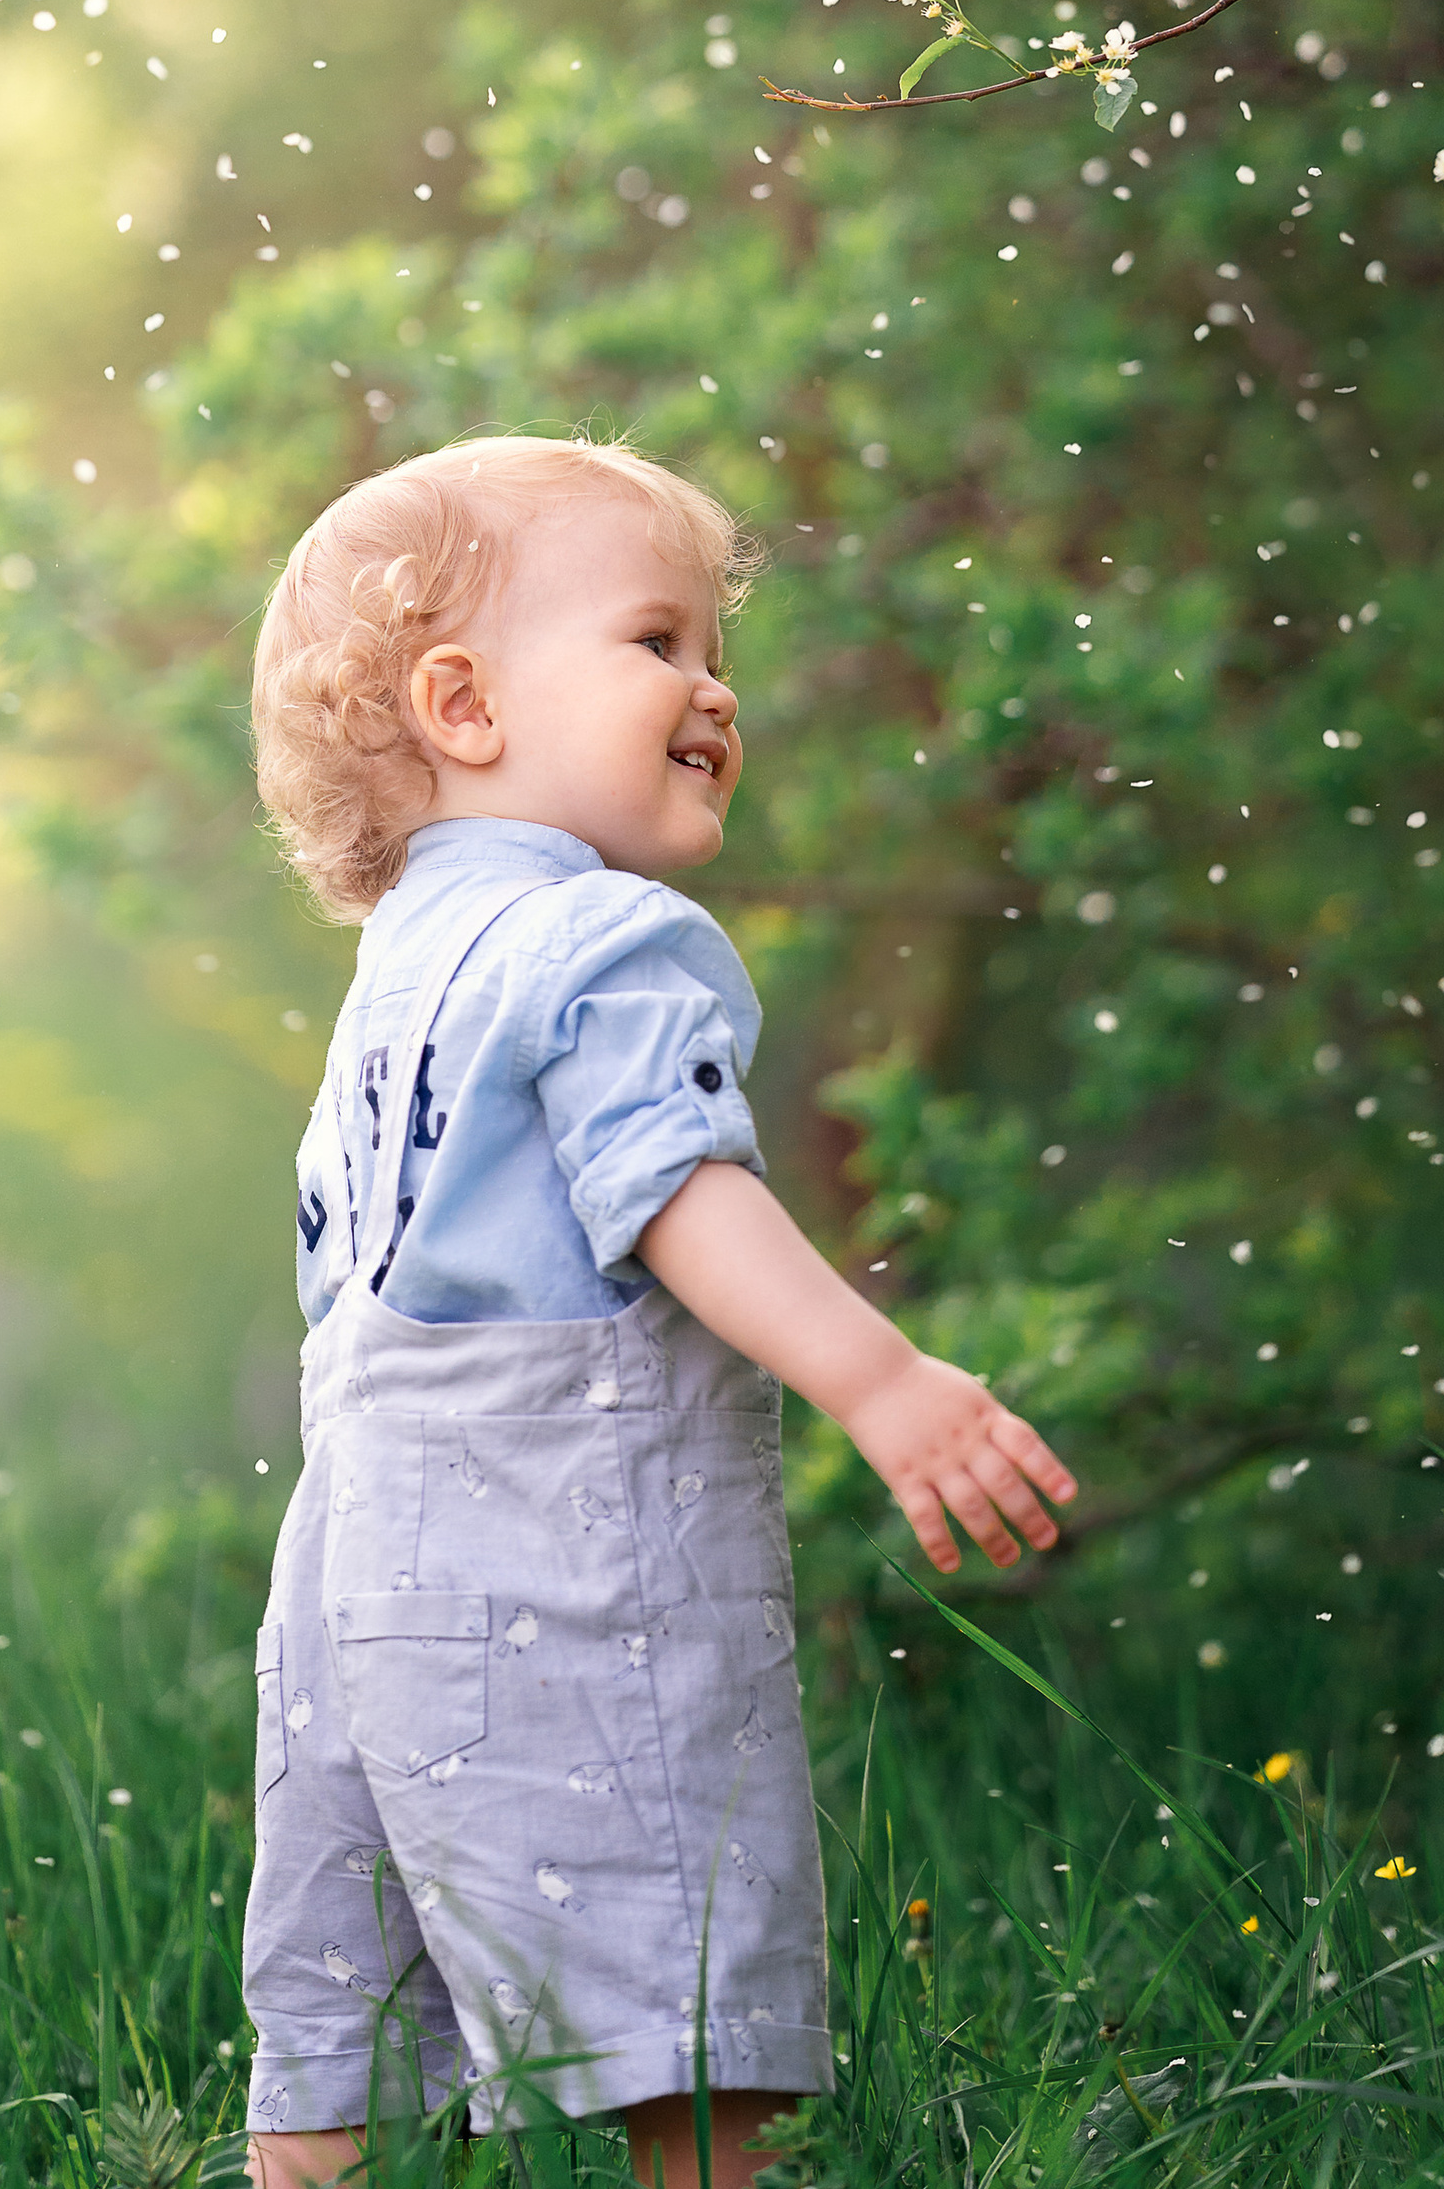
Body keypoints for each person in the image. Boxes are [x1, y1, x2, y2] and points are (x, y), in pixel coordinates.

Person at [241, 434, 1076, 2189]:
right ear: (461, 701)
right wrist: (883, 1375)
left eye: (720, 653)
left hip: (358, 1578)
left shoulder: (394, 976)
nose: (716, 689)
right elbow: (676, 1189)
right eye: (658, 642)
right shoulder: (607, 938)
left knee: (349, 1970)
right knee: (683, 1991)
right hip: (565, 1544)